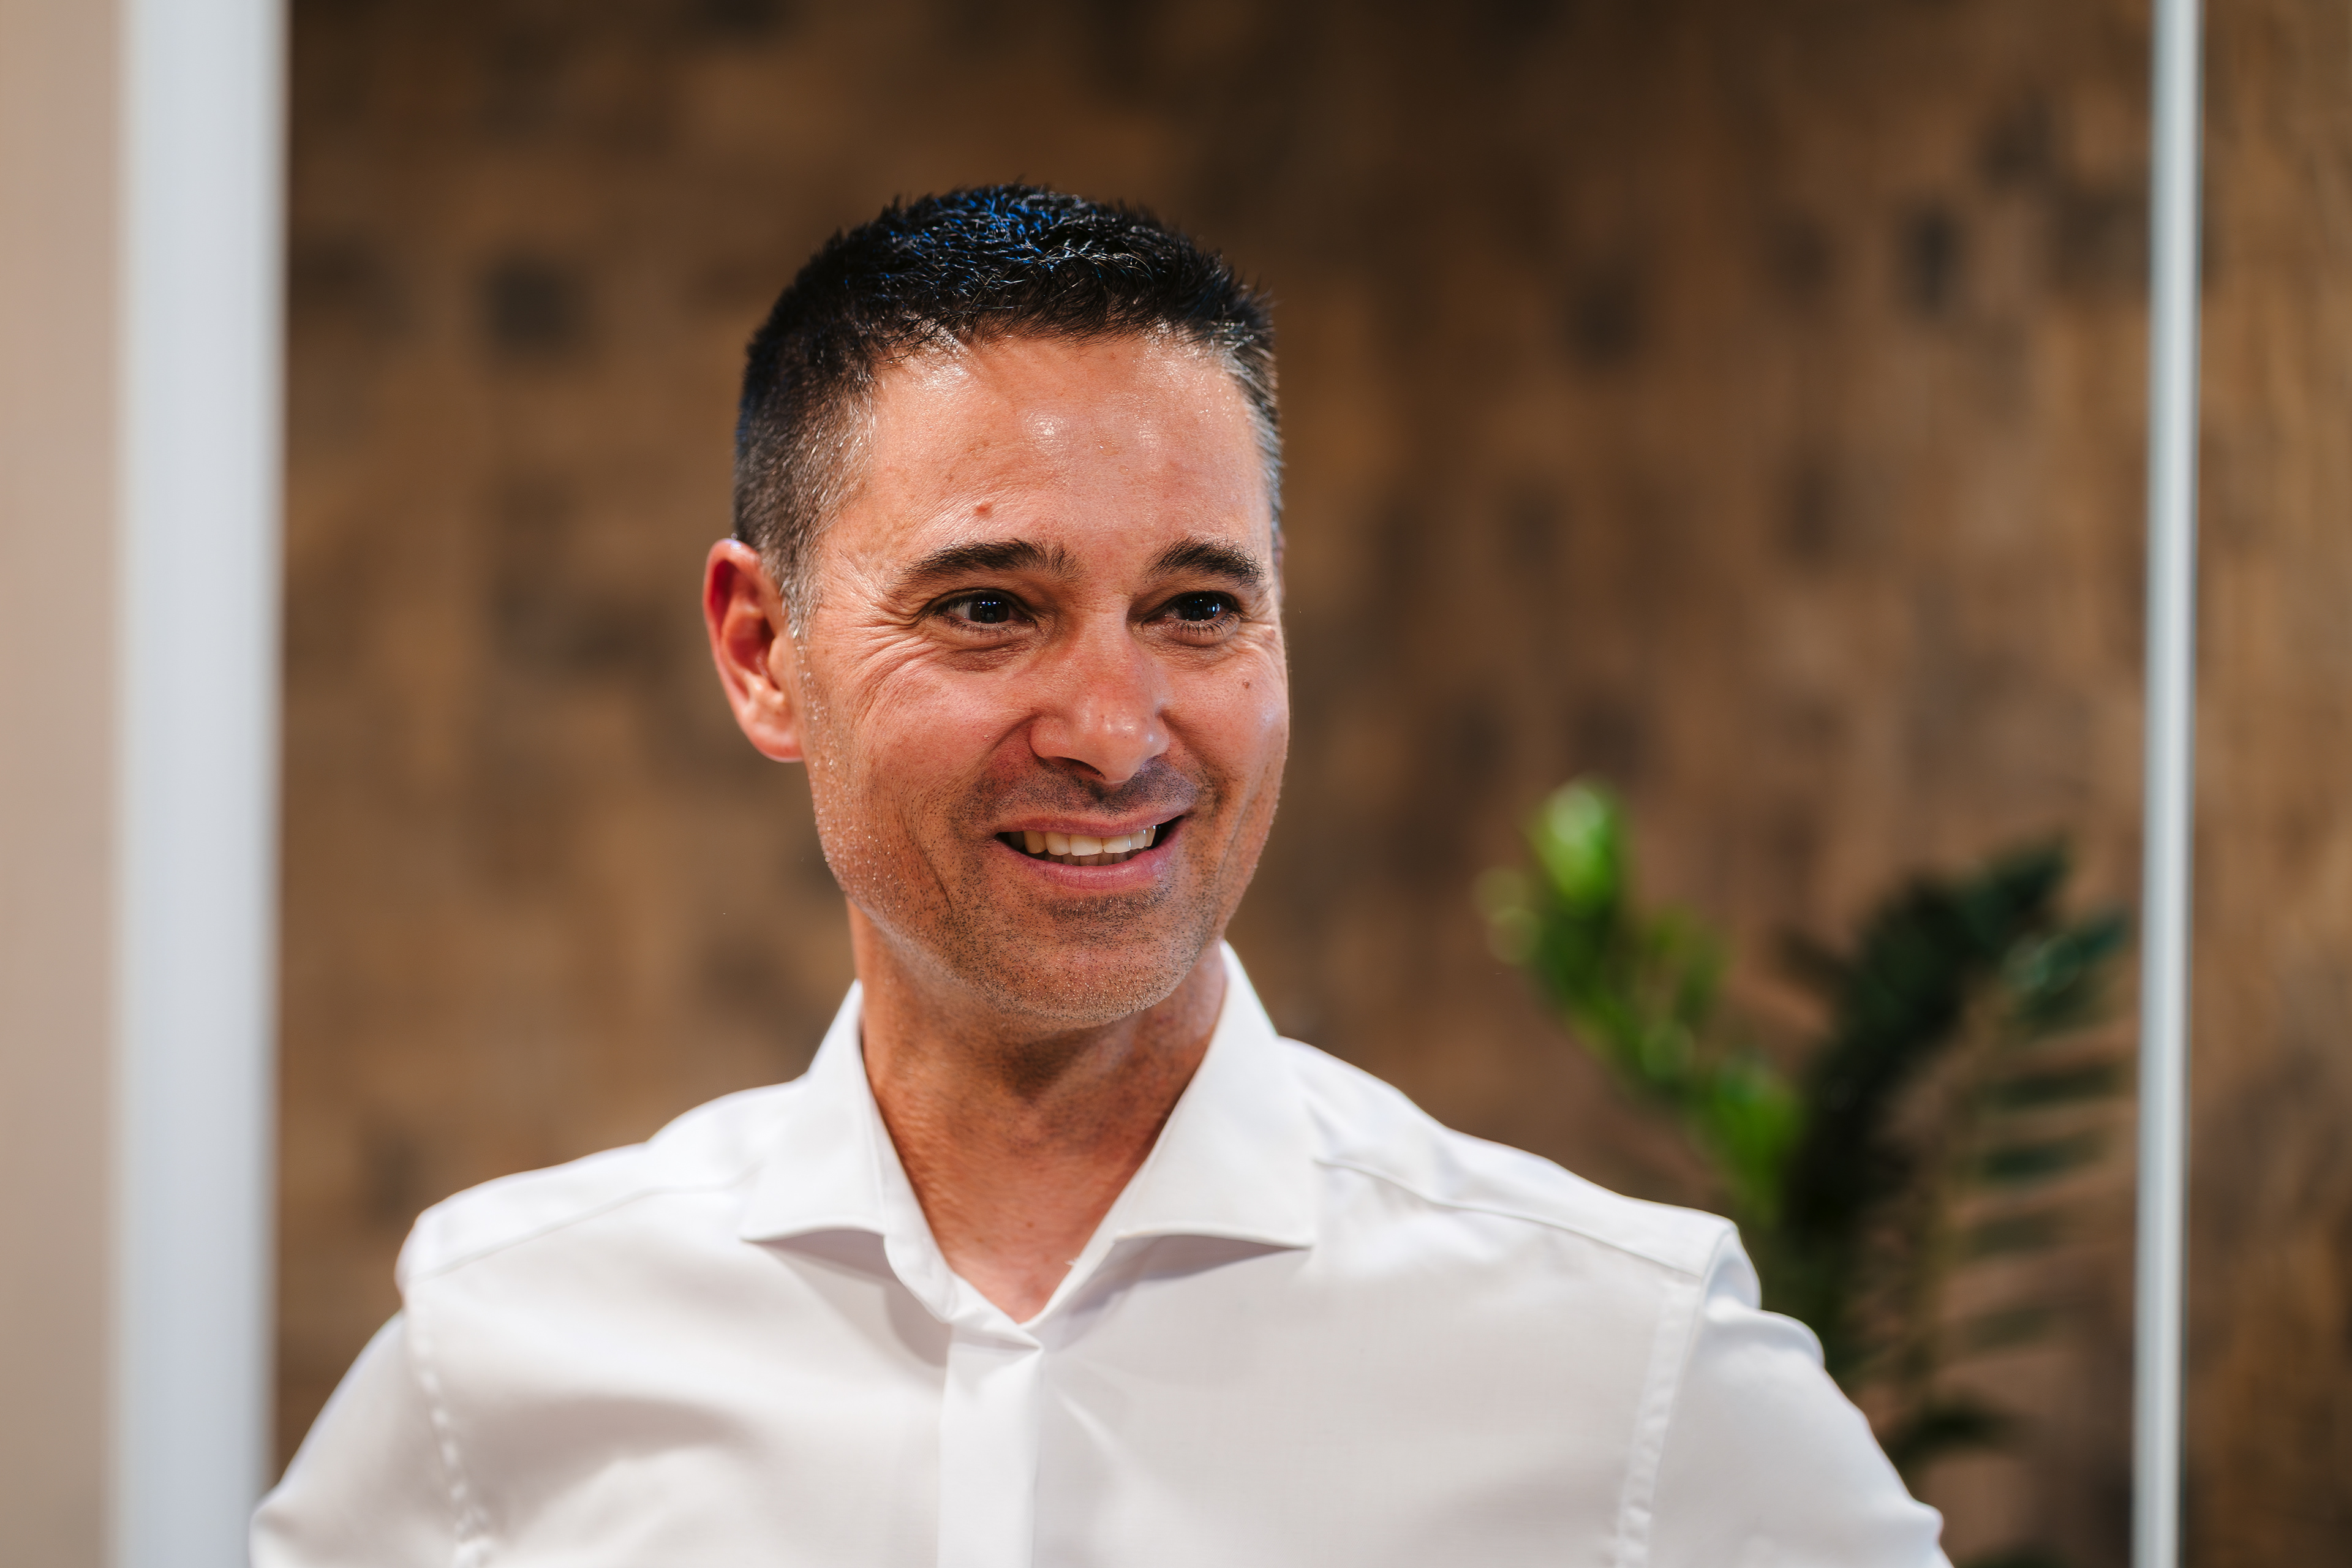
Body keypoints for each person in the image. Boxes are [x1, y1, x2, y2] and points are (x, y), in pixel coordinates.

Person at [255, 186, 1948, 1567]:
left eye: (1198, 608)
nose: (1116, 732)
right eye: (990, 607)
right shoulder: (506, 1350)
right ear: (764, 652)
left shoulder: (1625, 1363)